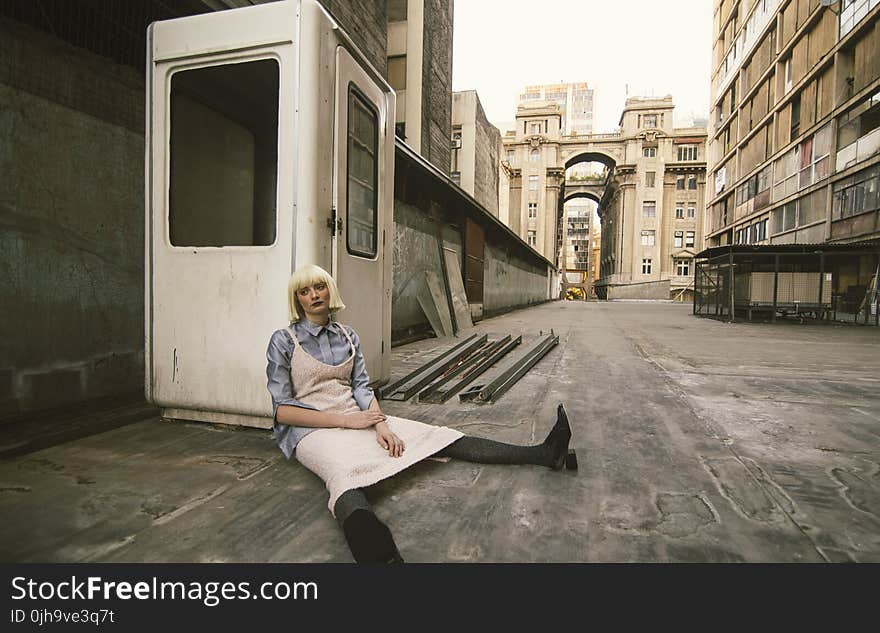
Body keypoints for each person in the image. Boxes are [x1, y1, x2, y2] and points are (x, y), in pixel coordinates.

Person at [266, 264, 575, 563]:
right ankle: (379, 554)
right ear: (297, 299)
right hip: (312, 431)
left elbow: (361, 388)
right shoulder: (283, 340)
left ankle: (544, 454)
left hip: (358, 417)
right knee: (344, 476)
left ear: (329, 290)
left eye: (319, 287)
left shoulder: (347, 336)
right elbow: (283, 411)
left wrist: (381, 425)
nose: (314, 295)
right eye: (305, 291)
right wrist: (348, 422)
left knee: (439, 436)